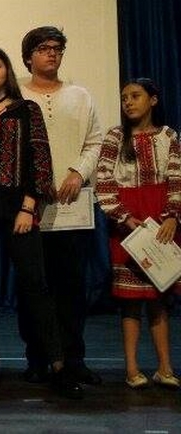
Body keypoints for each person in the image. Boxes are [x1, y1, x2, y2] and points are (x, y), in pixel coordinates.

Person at [0, 46, 82, 399]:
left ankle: (58, 366)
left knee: (35, 284)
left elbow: (41, 159)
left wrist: (29, 205)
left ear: (7, 71)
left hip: (18, 211)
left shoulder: (28, 110)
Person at [17, 26, 104, 386]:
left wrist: (77, 172)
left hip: (73, 204)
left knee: (70, 286)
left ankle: (73, 358)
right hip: (29, 207)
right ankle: (38, 358)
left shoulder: (80, 96)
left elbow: (95, 142)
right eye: (43, 48)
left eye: (57, 48)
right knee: (33, 285)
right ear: (28, 57)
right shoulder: (16, 95)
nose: (51, 53)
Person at [95, 78, 181, 390]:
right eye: (124, 98)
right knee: (130, 300)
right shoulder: (115, 137)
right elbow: (103, 180)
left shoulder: (169, 136)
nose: (128, 102)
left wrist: (172, 216)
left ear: (153, 100)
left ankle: (164, 367)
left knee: (159, 297)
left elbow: (177, 177)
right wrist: (123, 216)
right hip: (128, 223)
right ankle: (132, 368)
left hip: (161, 219)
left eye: (135, 96)